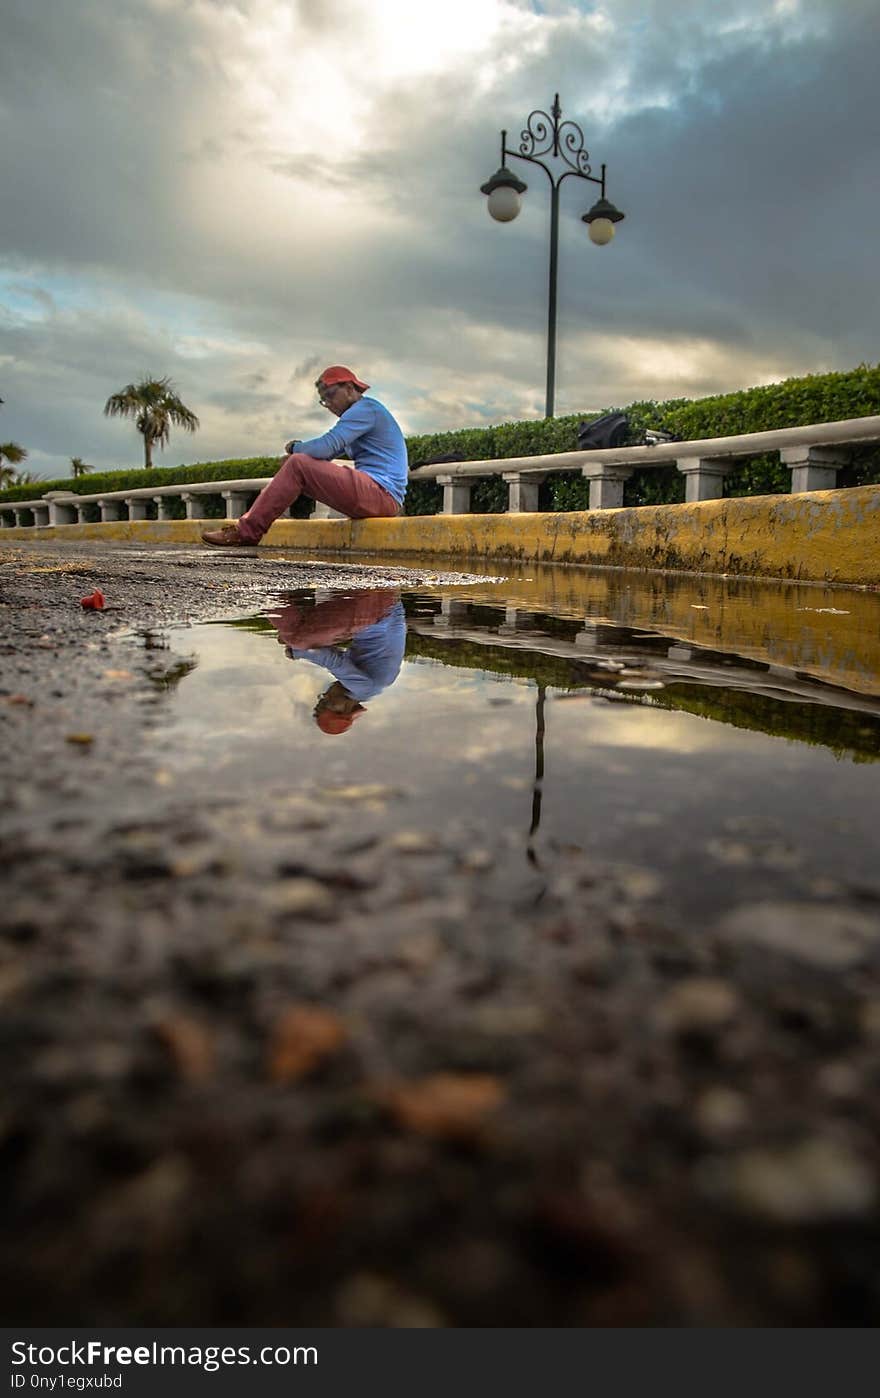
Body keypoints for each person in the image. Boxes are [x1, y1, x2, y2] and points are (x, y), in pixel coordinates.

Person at [201, 366, 407, 546]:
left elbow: (324, 448)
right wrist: (293, 459)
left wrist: (294, 447)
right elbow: (323, 455)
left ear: (350, 389)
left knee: (298, 462)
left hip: (382, 494)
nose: (329, 405)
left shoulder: (366, 409)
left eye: (331, 395)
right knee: (295, 464)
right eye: (323, 400)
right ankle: (258, 521)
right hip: (377, 497)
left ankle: (247, 531)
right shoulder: (359, 416)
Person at [265, 588, 407, 734]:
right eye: (327, 703)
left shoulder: (369, 688)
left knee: (300, 635)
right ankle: (270, 593)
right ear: (345, 709)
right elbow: (334, 661)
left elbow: (331, 654)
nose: (326, 695)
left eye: (322, 699)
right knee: (298, 640)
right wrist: (297, 651)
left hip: (382, 607)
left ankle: (276, 595)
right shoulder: (364, 689)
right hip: (379, 610)